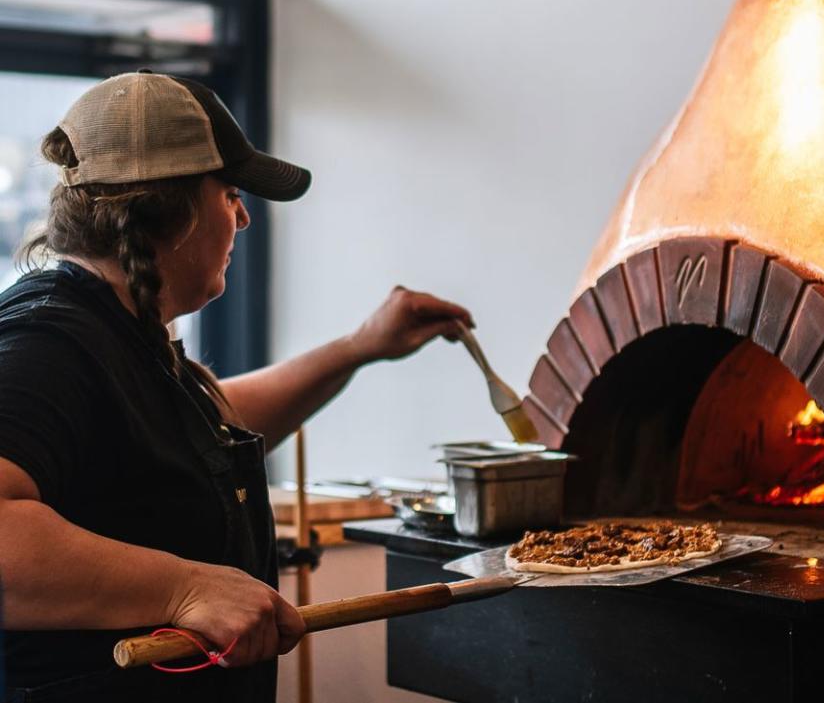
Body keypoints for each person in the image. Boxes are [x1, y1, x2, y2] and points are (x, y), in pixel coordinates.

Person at [0, 70, 473, 702]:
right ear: (175, 208)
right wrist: (183, 587)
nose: (244, 218)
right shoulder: (45, 341)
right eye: (229, 196)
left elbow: (195, 441)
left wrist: (358, 348)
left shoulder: (118, 332)